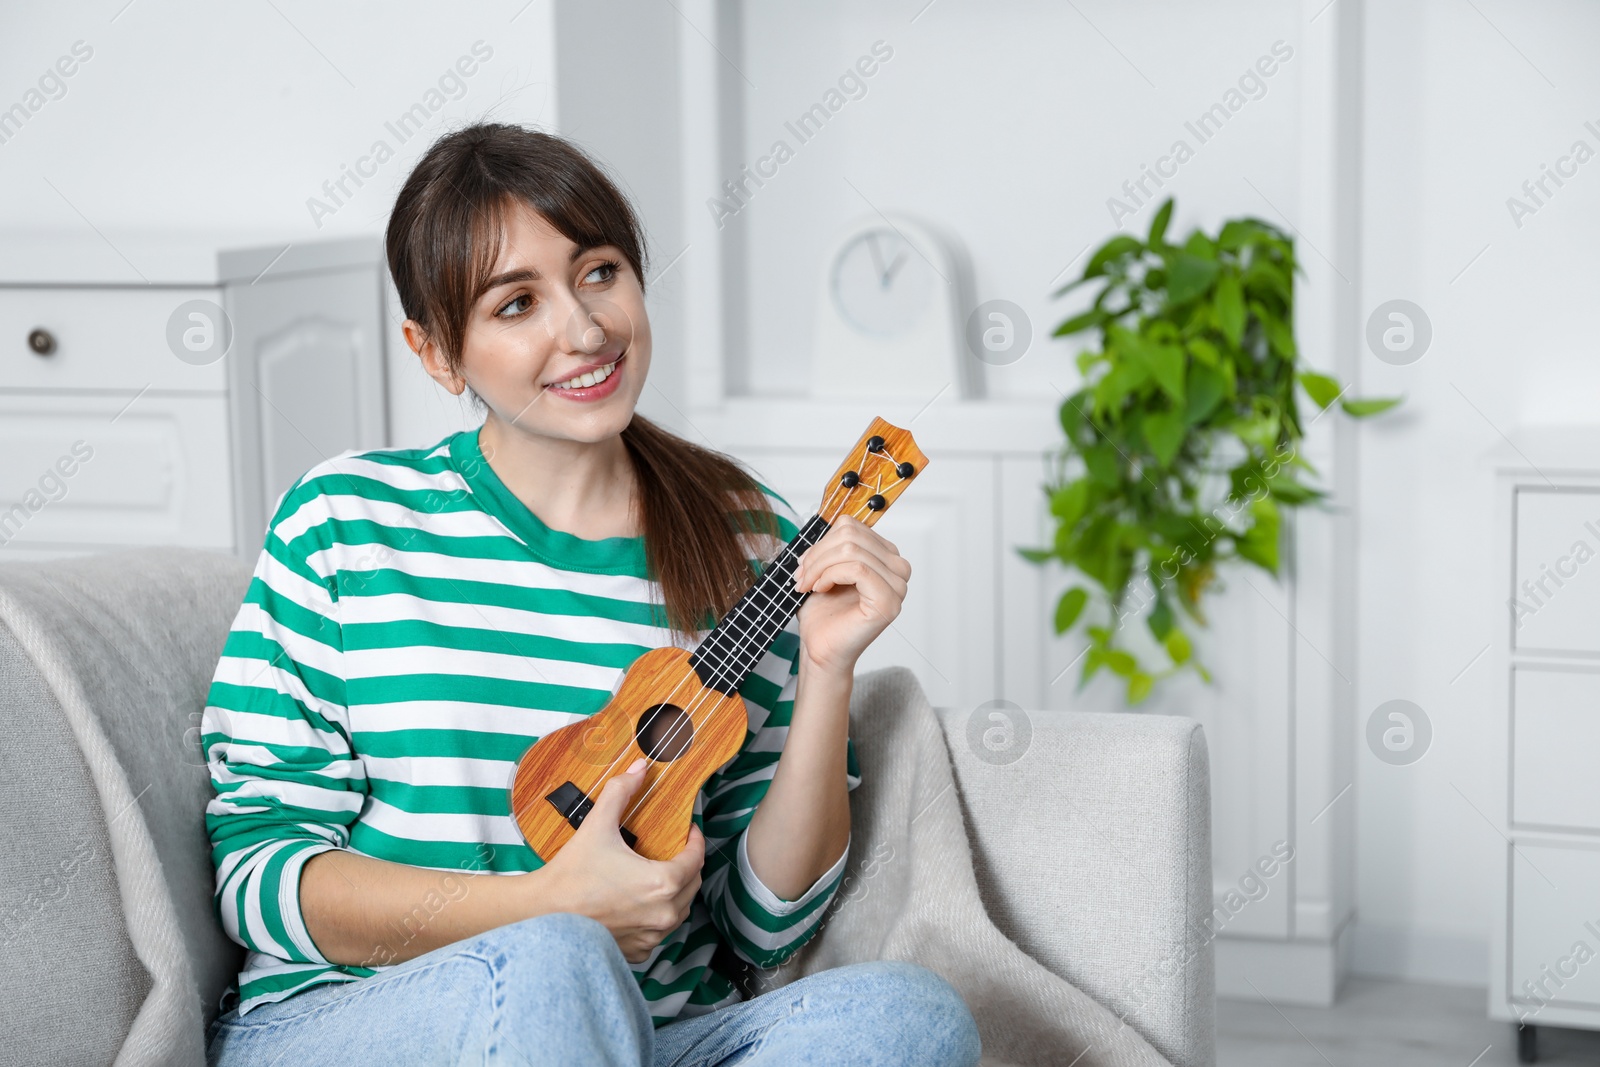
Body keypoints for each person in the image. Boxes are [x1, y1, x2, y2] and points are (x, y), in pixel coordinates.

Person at [200, 122, 981, 1066]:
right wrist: (544, 912)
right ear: (436, 352)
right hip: (362, 1020)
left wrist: (825, 669)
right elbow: (259, 870)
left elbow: (763, 931)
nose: (583, 329)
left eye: (599, 271)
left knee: (909, 1015)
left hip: (644, 1037)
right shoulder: (345, 521)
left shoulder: (751, 540)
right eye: (517, 302)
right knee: (554, 964)